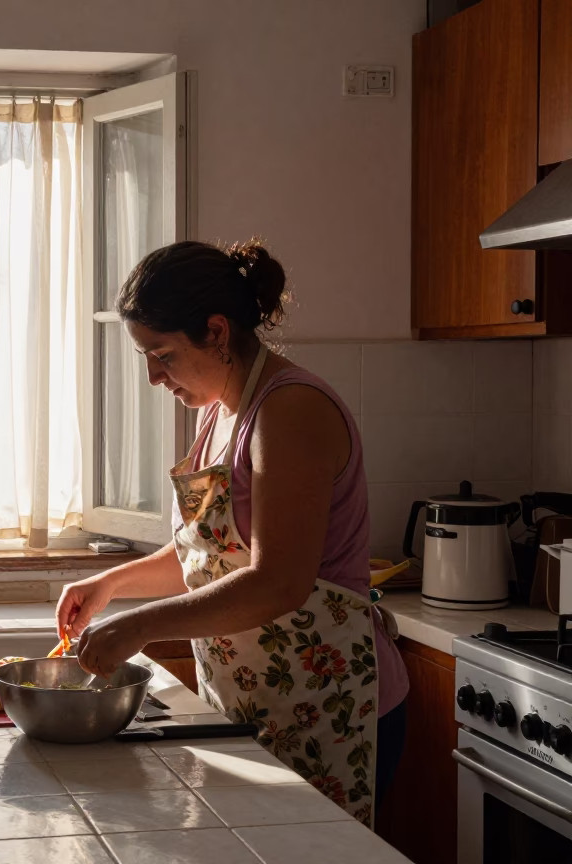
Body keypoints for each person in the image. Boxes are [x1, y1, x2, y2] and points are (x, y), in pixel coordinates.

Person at [57, 239, 408, 827]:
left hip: (329, 707)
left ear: (217, 331)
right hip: (255, 704)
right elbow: (211, 552)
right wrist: (112, 585)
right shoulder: (218, 409)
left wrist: (140, 626)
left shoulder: (289, 410)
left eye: (162, 354)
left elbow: (276, 582)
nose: (152, 376)